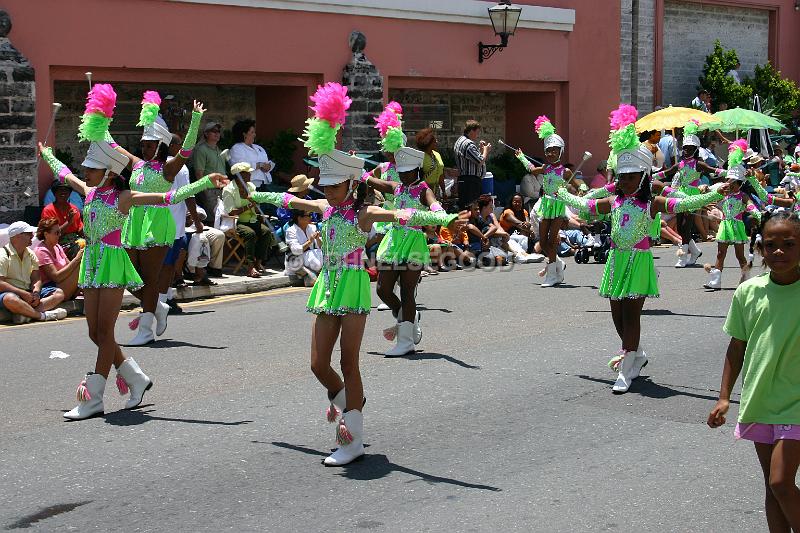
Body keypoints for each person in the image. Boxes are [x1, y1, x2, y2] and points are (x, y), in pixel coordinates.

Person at [249, 82, 466, 466]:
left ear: (351, 184)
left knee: (350, 362)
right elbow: (288, 198)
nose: (329, 191)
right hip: (326, 286)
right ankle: (350, 401)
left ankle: (353, 437)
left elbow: (404, 214)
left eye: (335, 185)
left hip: (351, 285)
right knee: (318, 364)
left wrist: (445, 217)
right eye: (326, 185)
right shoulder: (324, 206)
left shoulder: (362, 213)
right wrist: (254, 193)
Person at [553, 104, 730, 393]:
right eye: (622, 177)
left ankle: (626, 366)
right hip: (616, 259)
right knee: (616, 313)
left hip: (638, 260)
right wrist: (561, 194)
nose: (625, 181)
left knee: (631, 313)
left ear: (644, 176)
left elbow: (684, 204)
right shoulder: (615, 200)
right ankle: (635, 354)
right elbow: (586, 206)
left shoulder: (651, 203)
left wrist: (714, 191)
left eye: (631, 176)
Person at [707, 210, 800, 533]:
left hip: (796, 402)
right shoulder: (749, 292)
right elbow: (737, 346)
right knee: (772, 489)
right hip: (760, 399)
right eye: (770, 244)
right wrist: (723, 398)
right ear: (759, 248)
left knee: (781, 482)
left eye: (789, 244)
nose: (779, 252)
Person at [110, 90, 206, 346]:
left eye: (149, 145)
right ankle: (158, 307)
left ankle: (146, 329)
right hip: (134, 224)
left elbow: (187, 149)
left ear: (160, 146)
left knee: (150, 279)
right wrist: (99, 120)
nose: (144, 148)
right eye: (143, 144)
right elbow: (113, 146)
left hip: (157, 224)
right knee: (127, 274)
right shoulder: (137, 164)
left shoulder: (168, 168)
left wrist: (195, 119)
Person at [367, 145, 461, 355]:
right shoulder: (398, 187)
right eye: (400, 171)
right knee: (383, 288)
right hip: (393, 241)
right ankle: (409, 316)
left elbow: (435, 205)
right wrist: (355, 172)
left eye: (406, 171)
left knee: (408, 291)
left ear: (416, 170)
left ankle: (406, 340)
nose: (402, 174)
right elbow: (374, 181)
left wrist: (444, 216)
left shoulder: (423, 189)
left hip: (413, 242)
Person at [654, 119, 725, 267]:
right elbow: (666, 172)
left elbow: (713, 171)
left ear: (695, 149)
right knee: (681, 226)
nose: (686, 150)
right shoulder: (680, 164)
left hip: (692, 196)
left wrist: (730, 173)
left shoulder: (698, 164)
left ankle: (682, 257)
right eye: (685, 147)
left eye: (690, 148)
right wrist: (650, 176)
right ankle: (695, 251)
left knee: (686, 225)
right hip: (680, 194)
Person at [515, 115, 576, 286]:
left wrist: (582, 190)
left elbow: (578, 185)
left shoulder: (565, 172)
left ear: (560, 152)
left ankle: (552, 275)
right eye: (548, 151)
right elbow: (532, 170)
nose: (550, 153)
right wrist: (521, 157)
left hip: (557, 206)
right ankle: (558, 263)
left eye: (554, 151)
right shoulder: (546, 168)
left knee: (551, 240)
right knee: (542, 241)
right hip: (545, 204)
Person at [0, 221, 67, 323]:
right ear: (17, 236)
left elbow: (36, 278)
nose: (32, 236)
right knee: (10, 299)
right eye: (28, 234)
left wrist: (36, 293)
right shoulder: (3, 255)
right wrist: (22, 293)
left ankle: (25, 313)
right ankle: (41, 316)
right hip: (11, 293)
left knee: (59, 293)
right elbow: (1, 283)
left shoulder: (31, 254)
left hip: (28, 292)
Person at [223, 161, 276, 277]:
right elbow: (231, 212)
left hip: (252, 219)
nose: (250, 175)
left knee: (266, 232)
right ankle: (250, 267)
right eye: (247, 173)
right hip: (237, 222)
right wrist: (249, 206)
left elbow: (256, 206)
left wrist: (257, 206)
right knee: (250, 234)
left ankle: (258, 262)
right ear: (239, 175)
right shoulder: (228, 190)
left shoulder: (251, 186)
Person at [34, 217, 82, 302]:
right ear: (46, 234)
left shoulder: (57, 247)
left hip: (64, 284)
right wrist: (77, 259)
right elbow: (56, 277)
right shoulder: (41, 251)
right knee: (81, 265)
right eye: (56, 233)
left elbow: (69, 266)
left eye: (59, 232)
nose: (60, 235)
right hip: (52, 288)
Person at [191, 120, 227, 218]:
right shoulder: (201, 150)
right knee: (214, 219)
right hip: (210, 190)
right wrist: (205, 192)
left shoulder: (219, 150)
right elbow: (199, 173)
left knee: (223, 218)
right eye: (213, 131)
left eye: (218, 131)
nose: (217, 133)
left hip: (222, 189)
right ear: (206, 133)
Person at [41, 180, 84, 258]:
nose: (63, 193)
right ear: (54, 193)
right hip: (58, 243)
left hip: (76, 240)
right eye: (60, 190)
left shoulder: (74, 208)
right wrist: (69, 222)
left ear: (69, 193)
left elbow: (80, 229)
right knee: (79, 250)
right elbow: (52, 235)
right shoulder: (48, 210)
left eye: (66, 191)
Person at [229, 119, 276, 192]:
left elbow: (266, 163)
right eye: (252, 132)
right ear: (244, 134)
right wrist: (260, 165)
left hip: (265, 183)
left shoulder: (258, 147)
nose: (255, 134)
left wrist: (268, 166)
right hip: (249, 185)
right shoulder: (237, 148)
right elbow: (239, 167)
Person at [454, 120, 490, 210]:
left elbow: (473, 159)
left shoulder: (459, 141)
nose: (477, 136)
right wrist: (486, 150)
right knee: (471, 209)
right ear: (471, 131)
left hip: (465, 181)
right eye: (477, 132)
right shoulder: (468, 144)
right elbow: (480, 160)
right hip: (470, 182)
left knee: (466, 208)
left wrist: (480, 151)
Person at [185, 207, 225, 285]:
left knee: (219, 235)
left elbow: (203, 213)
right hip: (183, 227)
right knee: (199, 239)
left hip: (197, 225)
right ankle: (195, 271)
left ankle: (214, 268)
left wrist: (195, 215)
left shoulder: (188, 199)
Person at [284, 209, 322, 285]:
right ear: (299, 218)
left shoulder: (313, 227)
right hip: (297, 260)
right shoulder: (291, 231)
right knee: (315, 259)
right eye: (308, 216)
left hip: (310, 258)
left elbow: (321, 247)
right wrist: (309, 241)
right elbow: (296, 251)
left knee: (323, 254)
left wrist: (317, 239)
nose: (310, 217)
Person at [416, 128, 446, 199]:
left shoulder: (437, 155)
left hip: (436, 190)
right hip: (424, 191)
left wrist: (443, 191)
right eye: (434, 141)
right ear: (428, 143)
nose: (436, 142)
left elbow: (441, 175)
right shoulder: (420, 157)